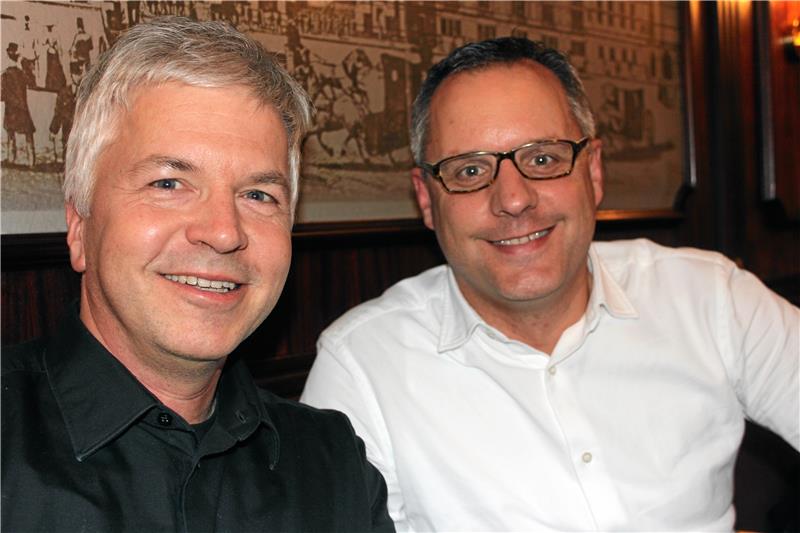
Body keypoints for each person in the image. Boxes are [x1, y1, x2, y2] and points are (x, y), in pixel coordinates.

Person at [301, 37, 800, 531]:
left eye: (543, 159)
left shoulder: (711, 298)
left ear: (595, 172)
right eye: (470, 170)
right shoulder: (362, 367)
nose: (513, 200)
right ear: (427, 201)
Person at [2, 17, 393, 532]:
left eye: (258, 195)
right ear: (79, 226)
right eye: (168, 183)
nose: (223, 231)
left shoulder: (333, 465)